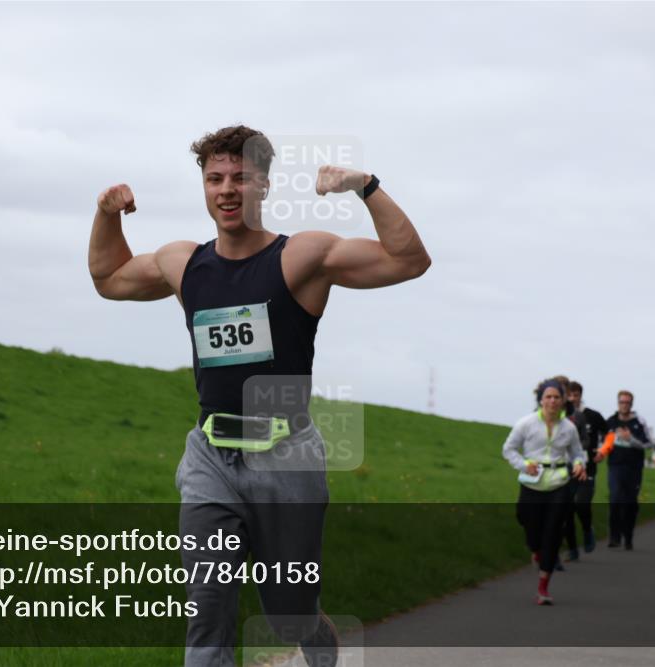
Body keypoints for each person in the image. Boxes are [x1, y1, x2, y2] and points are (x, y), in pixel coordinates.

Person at [88, 125, 430, 666]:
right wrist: (106, 213)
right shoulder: (183, 263)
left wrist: (366, 186)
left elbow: (409, 260)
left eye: (241, 177)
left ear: (264, 186)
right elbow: (108, 277)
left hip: (286, 458)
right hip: (210, 459)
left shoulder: (302, 257)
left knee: (289, 612)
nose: (227, 189)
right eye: (215, 178)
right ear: (203, 187)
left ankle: (314, 637)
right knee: (208, 610)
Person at [503, 379, 587, 605]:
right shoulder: (526, 423)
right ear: (541, 400)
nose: (552, 400)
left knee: (552, 534)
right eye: (548, 396)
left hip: (559, 484)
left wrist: (579, 464)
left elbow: (578, 453)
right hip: (531, 483)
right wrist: (523, 464)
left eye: (556, 397)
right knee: (528, 524)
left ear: (562, 401)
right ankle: (535, 550)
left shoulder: (569, 428)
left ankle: (543, 589)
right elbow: (508, 449)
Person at [595, 390, 652, 550]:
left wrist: (631, 439)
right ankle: (614, 537)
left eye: (627, 402)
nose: (624, 405)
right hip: (615, 466)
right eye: (622, 402)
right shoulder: (611, 422)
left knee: (630, 503)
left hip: (634, 468)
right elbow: (604, 442)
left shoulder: (639, 422)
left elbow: (648, 443)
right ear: (618, 403)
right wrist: (601, 453)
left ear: (631, 404)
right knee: (615, 499)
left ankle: (628, 536)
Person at [562, 380, 607, 558]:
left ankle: (588, 530)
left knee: (581, 503)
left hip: (587, 467)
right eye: (569, 395)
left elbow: (609, 433)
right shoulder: (561, 416)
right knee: (566, 511)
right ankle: (572, 549)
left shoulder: (592, 415)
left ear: (581, 396)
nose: (572, 399)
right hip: (565, 469)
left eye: (576, 395)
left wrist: (603, 450)